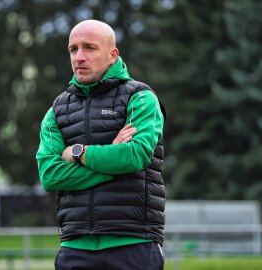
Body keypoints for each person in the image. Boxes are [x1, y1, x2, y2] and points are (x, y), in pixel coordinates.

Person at [36, 19, 166, 270]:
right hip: (74, 248)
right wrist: (111, 163)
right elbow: (50, 175)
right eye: (73, 49)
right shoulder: (57, 110)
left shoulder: (140, 98)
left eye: (89, 48)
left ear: (112, 55)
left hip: (133, 243)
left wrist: (78, 153)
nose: (79, 57)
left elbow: (134, 156)